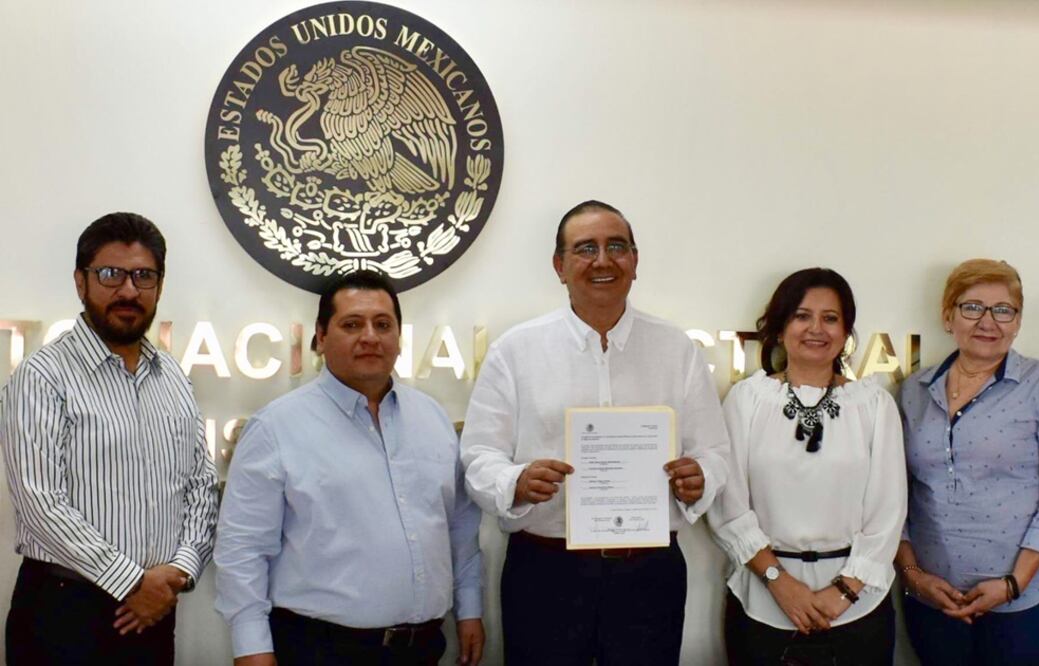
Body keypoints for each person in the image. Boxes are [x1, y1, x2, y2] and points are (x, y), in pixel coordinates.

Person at [459, 200, 729, 665]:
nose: (603, 260)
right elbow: (479, 455)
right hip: (545, 571)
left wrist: (700, 476)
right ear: (559, 266)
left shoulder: (676, 349)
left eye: (616, 247)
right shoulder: (516, 351)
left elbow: (714, 451)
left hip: (649, 573)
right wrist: (517, 482)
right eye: (586, 249)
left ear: (635, 261)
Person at [214, 270, 484, 666]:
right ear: (321, 337)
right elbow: (243, 550)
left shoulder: (432, 418)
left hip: (423, 647)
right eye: (352, 324)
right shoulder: (276, 427)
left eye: (383, 324)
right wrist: (251, 649)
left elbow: (459, 527)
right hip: (321, 650)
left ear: (399, 336)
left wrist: (470, 608)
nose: (370, 336)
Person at [1, 212, 218, 664]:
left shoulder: (172, 376)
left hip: (154, 612)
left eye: (144, 276)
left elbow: (200, 484)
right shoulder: (43, 376)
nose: (128, 291)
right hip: (63, 612)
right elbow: (41, 503)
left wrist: (179, 571)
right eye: (109, 274)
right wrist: (133, 583)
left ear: (159, 285)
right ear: (81, 283)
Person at [708, 267, 906, 666]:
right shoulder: (747, 400)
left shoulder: (873, 405)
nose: (816, 328)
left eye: (830, 318)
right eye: (802, 316)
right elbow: (728, 504)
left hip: (859, 604)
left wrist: (845, 591)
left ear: (846, 332)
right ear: (780, 328)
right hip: (763, 600)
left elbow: (888, 511)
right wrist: (780, 584)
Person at [896, 258, 1039, 665]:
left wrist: (1014, 584)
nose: (988, 321)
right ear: (948, 316)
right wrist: (914, 579)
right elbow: (895, 493)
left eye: (1003, 310)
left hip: (1029, 602)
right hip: (934, 602)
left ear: (1017, 321)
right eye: (972, 307)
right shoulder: (914, 391)